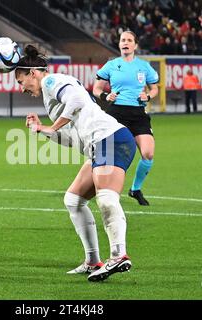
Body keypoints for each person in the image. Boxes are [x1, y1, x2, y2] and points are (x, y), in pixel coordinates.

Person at [16, 45, 136, 282]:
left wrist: (52, 126)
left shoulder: (51, 82)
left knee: (106, 199)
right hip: (99, 145)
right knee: (73, 199)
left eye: (22, 81)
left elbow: (79, 98)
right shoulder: (52, 97)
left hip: (110, 139)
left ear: (33, 73)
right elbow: (71, 140)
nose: (22, 88)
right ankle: (93, 261)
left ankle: (119, 255)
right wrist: (42, 130)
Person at [93, 30, 159, 206]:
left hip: (138, 113)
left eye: (129, 40)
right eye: (123, 40)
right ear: (119, 44)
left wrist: (149, 96)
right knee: (104, 152)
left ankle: (135, 189)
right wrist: (106, 96)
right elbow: (96, 89)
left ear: (135, 45)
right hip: (117, 113)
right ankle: (97, 185)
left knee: (148, 153)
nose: (126, 43)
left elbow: (154, 88)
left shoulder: (144, 67)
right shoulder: (111, 65)